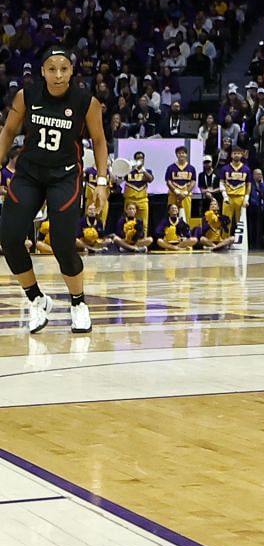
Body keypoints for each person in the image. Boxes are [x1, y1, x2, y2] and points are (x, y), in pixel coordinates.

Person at [0, 48, 110, 335]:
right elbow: (9, 131)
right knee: (10, 239)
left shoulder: (87, 102)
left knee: (63, 245)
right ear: (42, 72)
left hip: (65, 177)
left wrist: (101, 181)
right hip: (29, 174)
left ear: (72, 71)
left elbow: (99, 141)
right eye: (52, 69)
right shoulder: (26, 96)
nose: (58, 75)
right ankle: (37, 299)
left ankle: (78, 303)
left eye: (63, 68)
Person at [221, 147, 251, 233]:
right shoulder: (225, 168)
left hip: (241, 198)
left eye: (238, 153)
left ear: (242, 155)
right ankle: (224, 241)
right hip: (228, 197)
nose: (236, 155)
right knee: (225, 221)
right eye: (234, 153)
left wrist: (246, 199)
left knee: (241, 221)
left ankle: (241, 243)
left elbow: (248, 185)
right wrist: (225, 196)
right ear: (231, 155)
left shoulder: (246, 169)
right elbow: (221, 183)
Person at [123, 150, 154, 233]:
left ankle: (142, 242)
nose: (139, 160)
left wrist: (143, 170)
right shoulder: (129, 171)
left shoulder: (147, 171)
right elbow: (120, 177)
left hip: (142, 200)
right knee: (128, 222)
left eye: (141, 158)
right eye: (137, 158)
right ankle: (128, 240)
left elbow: (150, 179)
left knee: (144, 224)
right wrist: (128, 167)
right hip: (130, 199)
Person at [165, 145, 197, 223]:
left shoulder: (191, 168)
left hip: (186, 196)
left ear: (186, 154)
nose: (181, 155)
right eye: (179, 153)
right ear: (176, 155)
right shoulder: (171, 168)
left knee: (186, 216)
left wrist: (186, 192)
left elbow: (193, 181)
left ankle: (185, 234)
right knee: (171, 216)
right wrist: (176, 191)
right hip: (173, 195)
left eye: (183, 153)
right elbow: (168, 181)